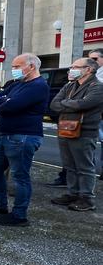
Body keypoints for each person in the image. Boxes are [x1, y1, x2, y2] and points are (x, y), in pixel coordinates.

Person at [0, 53, 49, 227]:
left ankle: (19, 215)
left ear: (31, 66)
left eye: (17, 66)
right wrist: (3, 100)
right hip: (6, 134)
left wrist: (3, 102)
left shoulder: (38, 86)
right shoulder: (17, 84)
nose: (14, 70)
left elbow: (11, 106)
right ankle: (0, 205)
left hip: (22, 136)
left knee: (20, 176)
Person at [49, 58, 103, 212]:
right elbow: (54, 104)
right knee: (70, 165)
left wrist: (66, 103)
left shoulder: (97, 86)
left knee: (84, 167)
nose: (71, 70)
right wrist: (73, 103)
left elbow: (84, 104)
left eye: (76, 67)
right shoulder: (70, 86)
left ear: (89, 69)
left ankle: (86, 198)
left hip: (85, 132)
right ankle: (73, 193)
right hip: (65, 129)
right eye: (71, 66)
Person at [86, 48, 103, 182]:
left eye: (95, 59)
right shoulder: (89, 73)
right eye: (90, 59)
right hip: (89, 114)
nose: (92, 61)